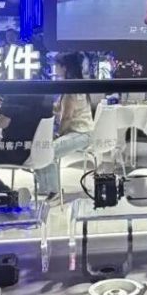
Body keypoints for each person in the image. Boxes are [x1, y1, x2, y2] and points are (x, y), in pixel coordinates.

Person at [0, 94, 53, 194]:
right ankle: (5, 194)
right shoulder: (46, 94)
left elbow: (3, 123)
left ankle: (4, 193)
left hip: (16, 150)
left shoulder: (14, 94)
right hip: (40, 152)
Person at [36, 52, 94, 199]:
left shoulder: (71, 89)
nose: (55, 68)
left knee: (48, 151)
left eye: (57, 65)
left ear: (65, 67)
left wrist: (58, 134)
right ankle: (45, 188)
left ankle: (53, 191)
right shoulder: (73, 85)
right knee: (41, 148)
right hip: (78, 132)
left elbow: (67, 117)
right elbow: (59, 108)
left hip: (81, 133)